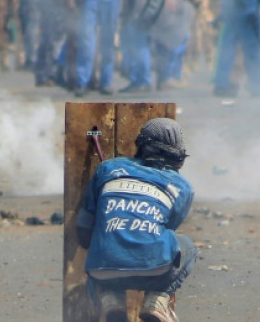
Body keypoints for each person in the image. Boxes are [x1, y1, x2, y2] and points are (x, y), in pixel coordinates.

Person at [75, 118, 195, 322]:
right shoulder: (183, 186)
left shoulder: (107, 168)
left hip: (102, 271)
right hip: (154, 270)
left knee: (104, 251)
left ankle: (110, 298)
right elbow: (167, 229)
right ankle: (157, 300)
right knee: (188, 247)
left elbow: (83, 226)